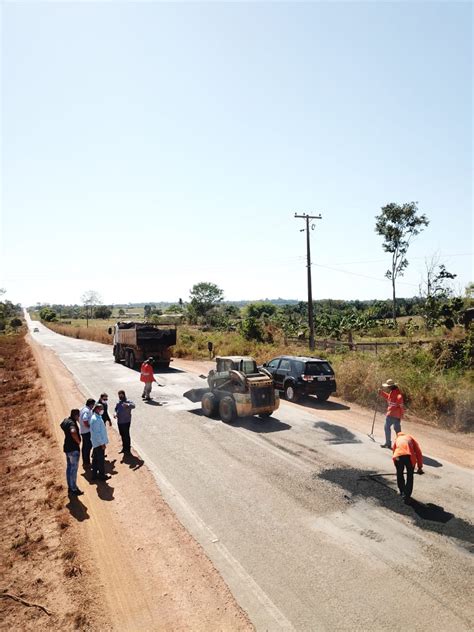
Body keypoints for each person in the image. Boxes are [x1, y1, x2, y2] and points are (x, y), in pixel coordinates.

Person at [392, 431, 423, 502]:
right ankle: (407, 495)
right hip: (409, 457)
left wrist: (397, 466)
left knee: (399, 474)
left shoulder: (397, 439)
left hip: (398, 456)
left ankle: (402, 491)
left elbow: (394, 452)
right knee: (410, 476)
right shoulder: (411, 438)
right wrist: (420, 467)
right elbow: (418, 453)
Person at [60, 409, 84, 496]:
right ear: (76, 415)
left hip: (67, 448)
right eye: (79, 416)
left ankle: (70, 487)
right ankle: (74, 488)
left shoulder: (66, 421)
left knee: (69, 468)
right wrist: (78, 441)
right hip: (73, 449)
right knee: (73, 469)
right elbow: (73, 431)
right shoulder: (72, 423)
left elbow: (62, 425)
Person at [378, 379, 404, 448]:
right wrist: (382, 393)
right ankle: (400, 445)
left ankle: (388, 443)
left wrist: (400, 414)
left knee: (387, 428)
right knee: (397, 430)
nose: (387, 387)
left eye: (388, 386)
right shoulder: (393, 392)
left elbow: (400, 405)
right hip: (396, 415)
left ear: (391, 386)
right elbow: (389, 398)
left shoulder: (398, 395)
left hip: (392, 415)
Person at [89, 403, 110, 481]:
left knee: (95, 460)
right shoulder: (96, 419)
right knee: (100, 460)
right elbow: (97, 434)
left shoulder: (96, 417)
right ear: (97, 409)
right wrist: (102, 443)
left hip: (96, 443)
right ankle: (102, 475)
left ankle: (94, 475)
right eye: (101, 409)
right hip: (98, 443)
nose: (102, 410)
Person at [114, 390, 135, 454]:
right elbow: (116, 409)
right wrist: (115, 413)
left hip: (126, 421)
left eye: (121, 395)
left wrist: (128, 405)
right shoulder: (118, 403)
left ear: (124, 395)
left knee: (126, 435)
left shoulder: (128, 401)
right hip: (120, 421)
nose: (120, 396)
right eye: (119, 395)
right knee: (122, 435)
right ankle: (124, 448)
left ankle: (128, 449)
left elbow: (133, 406)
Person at [79, 398, 95, 467]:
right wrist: (89, 426)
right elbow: (85, 419)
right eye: (93, 405)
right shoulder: (87, 411)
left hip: (83, 431)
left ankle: (85, 462)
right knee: (87, 447)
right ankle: (87, 463)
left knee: (85, 447)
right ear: (91, 404)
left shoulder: (83, 408)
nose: (93, 406)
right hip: (87, 432)